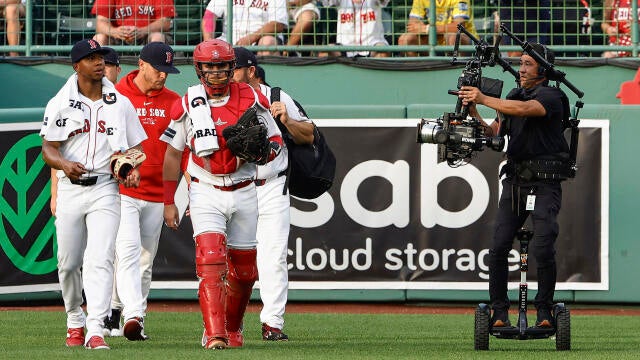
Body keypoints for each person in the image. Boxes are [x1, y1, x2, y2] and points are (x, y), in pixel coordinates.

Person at [161, 39, 284, 349]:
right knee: (211, 260)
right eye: (209, 67)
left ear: (232, 67)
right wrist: (168, 200)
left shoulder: (252, 98)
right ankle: (214, 333)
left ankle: (232, 326)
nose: (216, 73)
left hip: (244, 188)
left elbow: (276, 140)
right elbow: (173, 155)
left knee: (244, 271)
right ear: (199, 69)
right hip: (205, 189)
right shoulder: (188, 102)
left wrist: (263, 153)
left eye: (221, 66)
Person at [40, 39, 147, 350]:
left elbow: (137, 149)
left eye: (100, 56)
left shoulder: (120, 102)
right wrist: (62, 164)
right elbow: (48, 148)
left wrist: (130, 166)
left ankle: (95, 328)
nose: (99, 62)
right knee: (68, 262)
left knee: (100, 258)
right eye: (90, 58)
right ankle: (75, 317)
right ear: (77, 66)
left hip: (105, 188)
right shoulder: (60, 102)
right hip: (72, 188)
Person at [458, 43, 570, 329]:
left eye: (528, 64)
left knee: (544, 246)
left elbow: (525, 110)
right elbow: (495, 132)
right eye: (520, 63)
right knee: (497, 247)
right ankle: (499, 313)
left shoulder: (553, 95)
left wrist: (483, 97)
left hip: (545, 182)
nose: (521, 69)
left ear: (543, 70)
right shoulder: (512, 94)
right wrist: (474, 112)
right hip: (515, 181)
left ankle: (544, 311)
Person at [232, 47, 314, 341]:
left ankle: (272, 322)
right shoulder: (222, 100)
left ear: (250, 71)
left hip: (271, 186)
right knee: (232, 258)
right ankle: (228, 323)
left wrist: (287, 122)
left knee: (273, 256)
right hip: (234, 187)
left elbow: (310, 134)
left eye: (234, 68)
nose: (228, 73)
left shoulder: (276, 96)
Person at [101, 42, 181, 340]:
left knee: (145, 260)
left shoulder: (175, 101)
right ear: (142, 64)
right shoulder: (116, 95)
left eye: (167, 71)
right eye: (158, 69)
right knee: (128, 251)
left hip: (157, 193)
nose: (163, 76)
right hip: (123, 189)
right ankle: (131, 313)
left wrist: (172, 198)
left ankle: (125, 316)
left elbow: (178, 151)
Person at [50, 47, 121, 217]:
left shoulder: (124, 104)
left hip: (111, 189)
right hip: (74, 187)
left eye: (108, 63)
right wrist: (55, 193)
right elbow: (57, 149)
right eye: (93, 60)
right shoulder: (69, 100)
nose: (102, 66)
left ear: (118, 69)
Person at [201, 0, 288, 56]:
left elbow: (278, 24)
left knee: (267, 42)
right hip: (229, 41)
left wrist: (250, 38)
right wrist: (208, 42)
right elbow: (210, 15)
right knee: (214, 48)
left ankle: (264, 82)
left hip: (259, 40)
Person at [397, 0, 477, 57]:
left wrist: (427, 29)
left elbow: (459, 27)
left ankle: (457, 73)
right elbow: (412, 25)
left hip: (466, 39)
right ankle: (418, 73)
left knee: (452, 37)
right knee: (405, 39)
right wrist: (430, 31)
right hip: (435, 39)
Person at [320, 0, 390, 58]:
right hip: (345, 47)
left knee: (382, 50)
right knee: (324, 52)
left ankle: (375, 74)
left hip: (372, 44)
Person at [91, 0, 176, 45]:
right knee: (99, 38)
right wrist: (115, 32)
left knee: (157, 37)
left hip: (148, 35)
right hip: (117, 37)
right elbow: (100, 22)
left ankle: (154, 72)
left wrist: (143, 31)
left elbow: (165, 22)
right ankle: (101, 75)